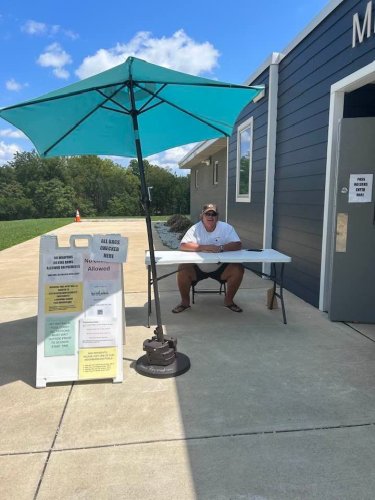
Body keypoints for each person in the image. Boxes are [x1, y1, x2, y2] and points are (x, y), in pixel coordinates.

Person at [172, 203, 244, 314]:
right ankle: (184, 303)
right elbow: (183, 245)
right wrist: (204, 247)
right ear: (202, 216)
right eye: (207, 214)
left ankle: (229, 301)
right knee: (183, 268)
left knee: (238, 269)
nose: (210, 216)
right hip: (198, 268)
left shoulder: (226, 228)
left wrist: (221, 247)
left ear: (217, 216)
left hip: (220, 267)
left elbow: (238, 244)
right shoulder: (195, 228)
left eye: (213, 214)